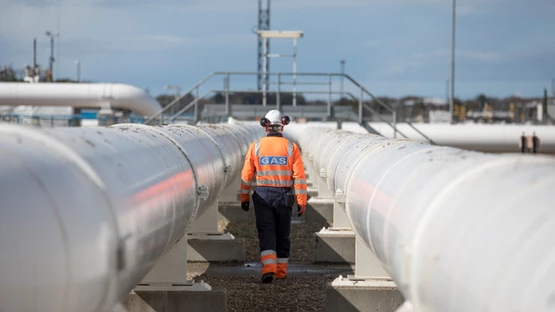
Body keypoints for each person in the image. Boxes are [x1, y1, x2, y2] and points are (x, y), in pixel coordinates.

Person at [240, 110, 307, 284]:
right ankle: (281, 271)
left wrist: (244, 198)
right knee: (283, 233)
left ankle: (268, 268)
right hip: (284, 196)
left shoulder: (256, 146)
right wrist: (301, 202)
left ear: (265, 125)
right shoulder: (291, 147)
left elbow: (247, 175)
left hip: (263, 195)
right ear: (283, 124)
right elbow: (299, 177)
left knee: (266, 231)